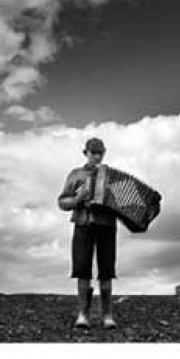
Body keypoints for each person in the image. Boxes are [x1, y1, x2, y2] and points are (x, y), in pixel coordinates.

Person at [57, 137, 118, 330]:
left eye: (100, 152)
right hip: (83, 224)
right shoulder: (75, 174)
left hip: (107, 226)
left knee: (107, 270)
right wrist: (77, 198)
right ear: (86, 153)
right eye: (93, 152)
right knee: (82, 269)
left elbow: (123, 202)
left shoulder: (113, 177)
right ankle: (83, 314)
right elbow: (62, 202)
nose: (97, 156)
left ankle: (107, 315)